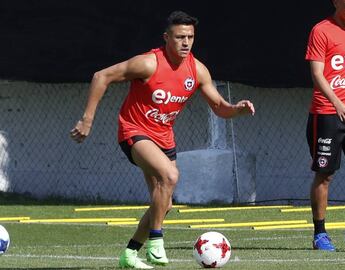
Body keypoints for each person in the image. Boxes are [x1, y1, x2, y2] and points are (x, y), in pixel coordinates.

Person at [70, 10, 255, 269]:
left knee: (164, 204)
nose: (186, 42)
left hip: (164, 138)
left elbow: (219, 107)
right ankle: (156, 242)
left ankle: (130, 253)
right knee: (170, 176)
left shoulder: (197, 70)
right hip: (134, 131)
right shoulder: (148, 63)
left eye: (190, 37)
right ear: (166, 37)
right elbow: (102, 76)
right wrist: (87, 119)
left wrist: (238, 109)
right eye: (179, 37)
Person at [305, 0, 345, 251]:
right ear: (335, 2)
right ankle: (320, 234)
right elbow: (317, 74)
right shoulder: (321, 30)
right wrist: (337, 103)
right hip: (327, 114)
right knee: (325, 174)